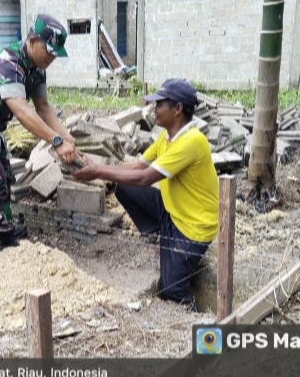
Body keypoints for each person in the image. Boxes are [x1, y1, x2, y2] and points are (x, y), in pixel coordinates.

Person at [73, 79, 219, 309]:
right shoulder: (168, 136)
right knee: (126, 189)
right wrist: (99, 168)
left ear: (178, 109)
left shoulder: (191, 141)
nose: (153, 109)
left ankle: (194, 313)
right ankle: (158, 234)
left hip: (193, 228)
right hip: (173, 211)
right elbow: (137, 167)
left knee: (172, 290)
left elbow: (145, 178)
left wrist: (98, 171)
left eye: (159, 104)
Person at [0, 14, 80, 249]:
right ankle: (3, 238)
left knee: (6, 174)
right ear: (32, 41)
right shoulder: (8, 65)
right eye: (49, 51)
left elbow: (43, 108)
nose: (52, 57)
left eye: (55, 53)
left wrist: (69, 138)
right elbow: (22, 112)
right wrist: (56, 140)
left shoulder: (37, 68)